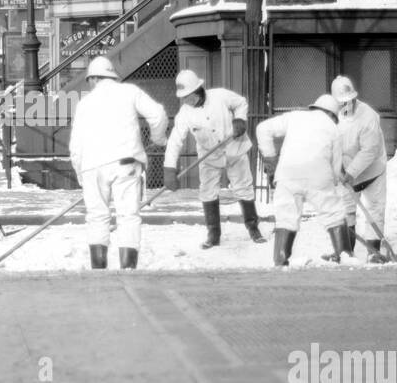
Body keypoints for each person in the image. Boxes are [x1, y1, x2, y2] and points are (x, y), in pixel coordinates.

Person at [68, 56, 168, 270]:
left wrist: (80, 173)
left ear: (94, 78)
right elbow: (158, 114)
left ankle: (99, 270)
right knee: (128, 216)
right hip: (125, 162)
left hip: (92, 166)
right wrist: (158, 139)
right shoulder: (130, 91)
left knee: (96, 217)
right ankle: (128, 270)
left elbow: (75, 146)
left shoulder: (84, 103)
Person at [162, 69, 263, 248]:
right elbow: (175, 141)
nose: (186, 100)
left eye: (188, 95)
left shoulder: (220, 96)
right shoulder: (185, 113)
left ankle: (253, 228)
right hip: (209, 156)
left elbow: (241, 103)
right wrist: (169, 168)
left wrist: (240, 120)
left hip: (235, 148)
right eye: (183, 97)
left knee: (244, 188)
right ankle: (213, 234)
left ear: (198, 89)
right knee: (207, 191)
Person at [256, 94, 345, 267]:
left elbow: (262, 129)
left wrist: (271, 159)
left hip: (288, 173)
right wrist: (335, 179)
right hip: (319, 174)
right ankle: (344, 254)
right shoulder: (334, 128)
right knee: (333, 213)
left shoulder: (295, 116)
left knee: (286, 216)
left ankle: (281, 258)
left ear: (315, 107)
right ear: (333, 115)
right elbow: (336, 165)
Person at [331, 75, 389, 263]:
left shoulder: (368, 117)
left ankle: (373, 253)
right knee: (345, 210)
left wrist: (350, 172)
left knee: (374, 210)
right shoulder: (331, 116)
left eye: (350, 101)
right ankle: (345, 252)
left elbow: (369, 151)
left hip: (372, 172)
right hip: (347, 174)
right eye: (342, 102)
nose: (347, 105)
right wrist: (336, 166)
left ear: (355, 97)